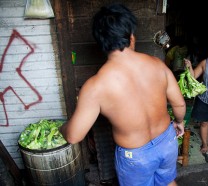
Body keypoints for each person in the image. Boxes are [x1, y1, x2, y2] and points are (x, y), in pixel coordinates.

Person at [59, 3, 186, 186]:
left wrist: (61, 128)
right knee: (167, 182)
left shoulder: (95, 86)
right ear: (131, 37)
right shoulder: (157, 64)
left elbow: (73, 136)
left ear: (102, 43)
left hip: (135, 157)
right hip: (167, 141)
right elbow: (179, 104)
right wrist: (179, 122)